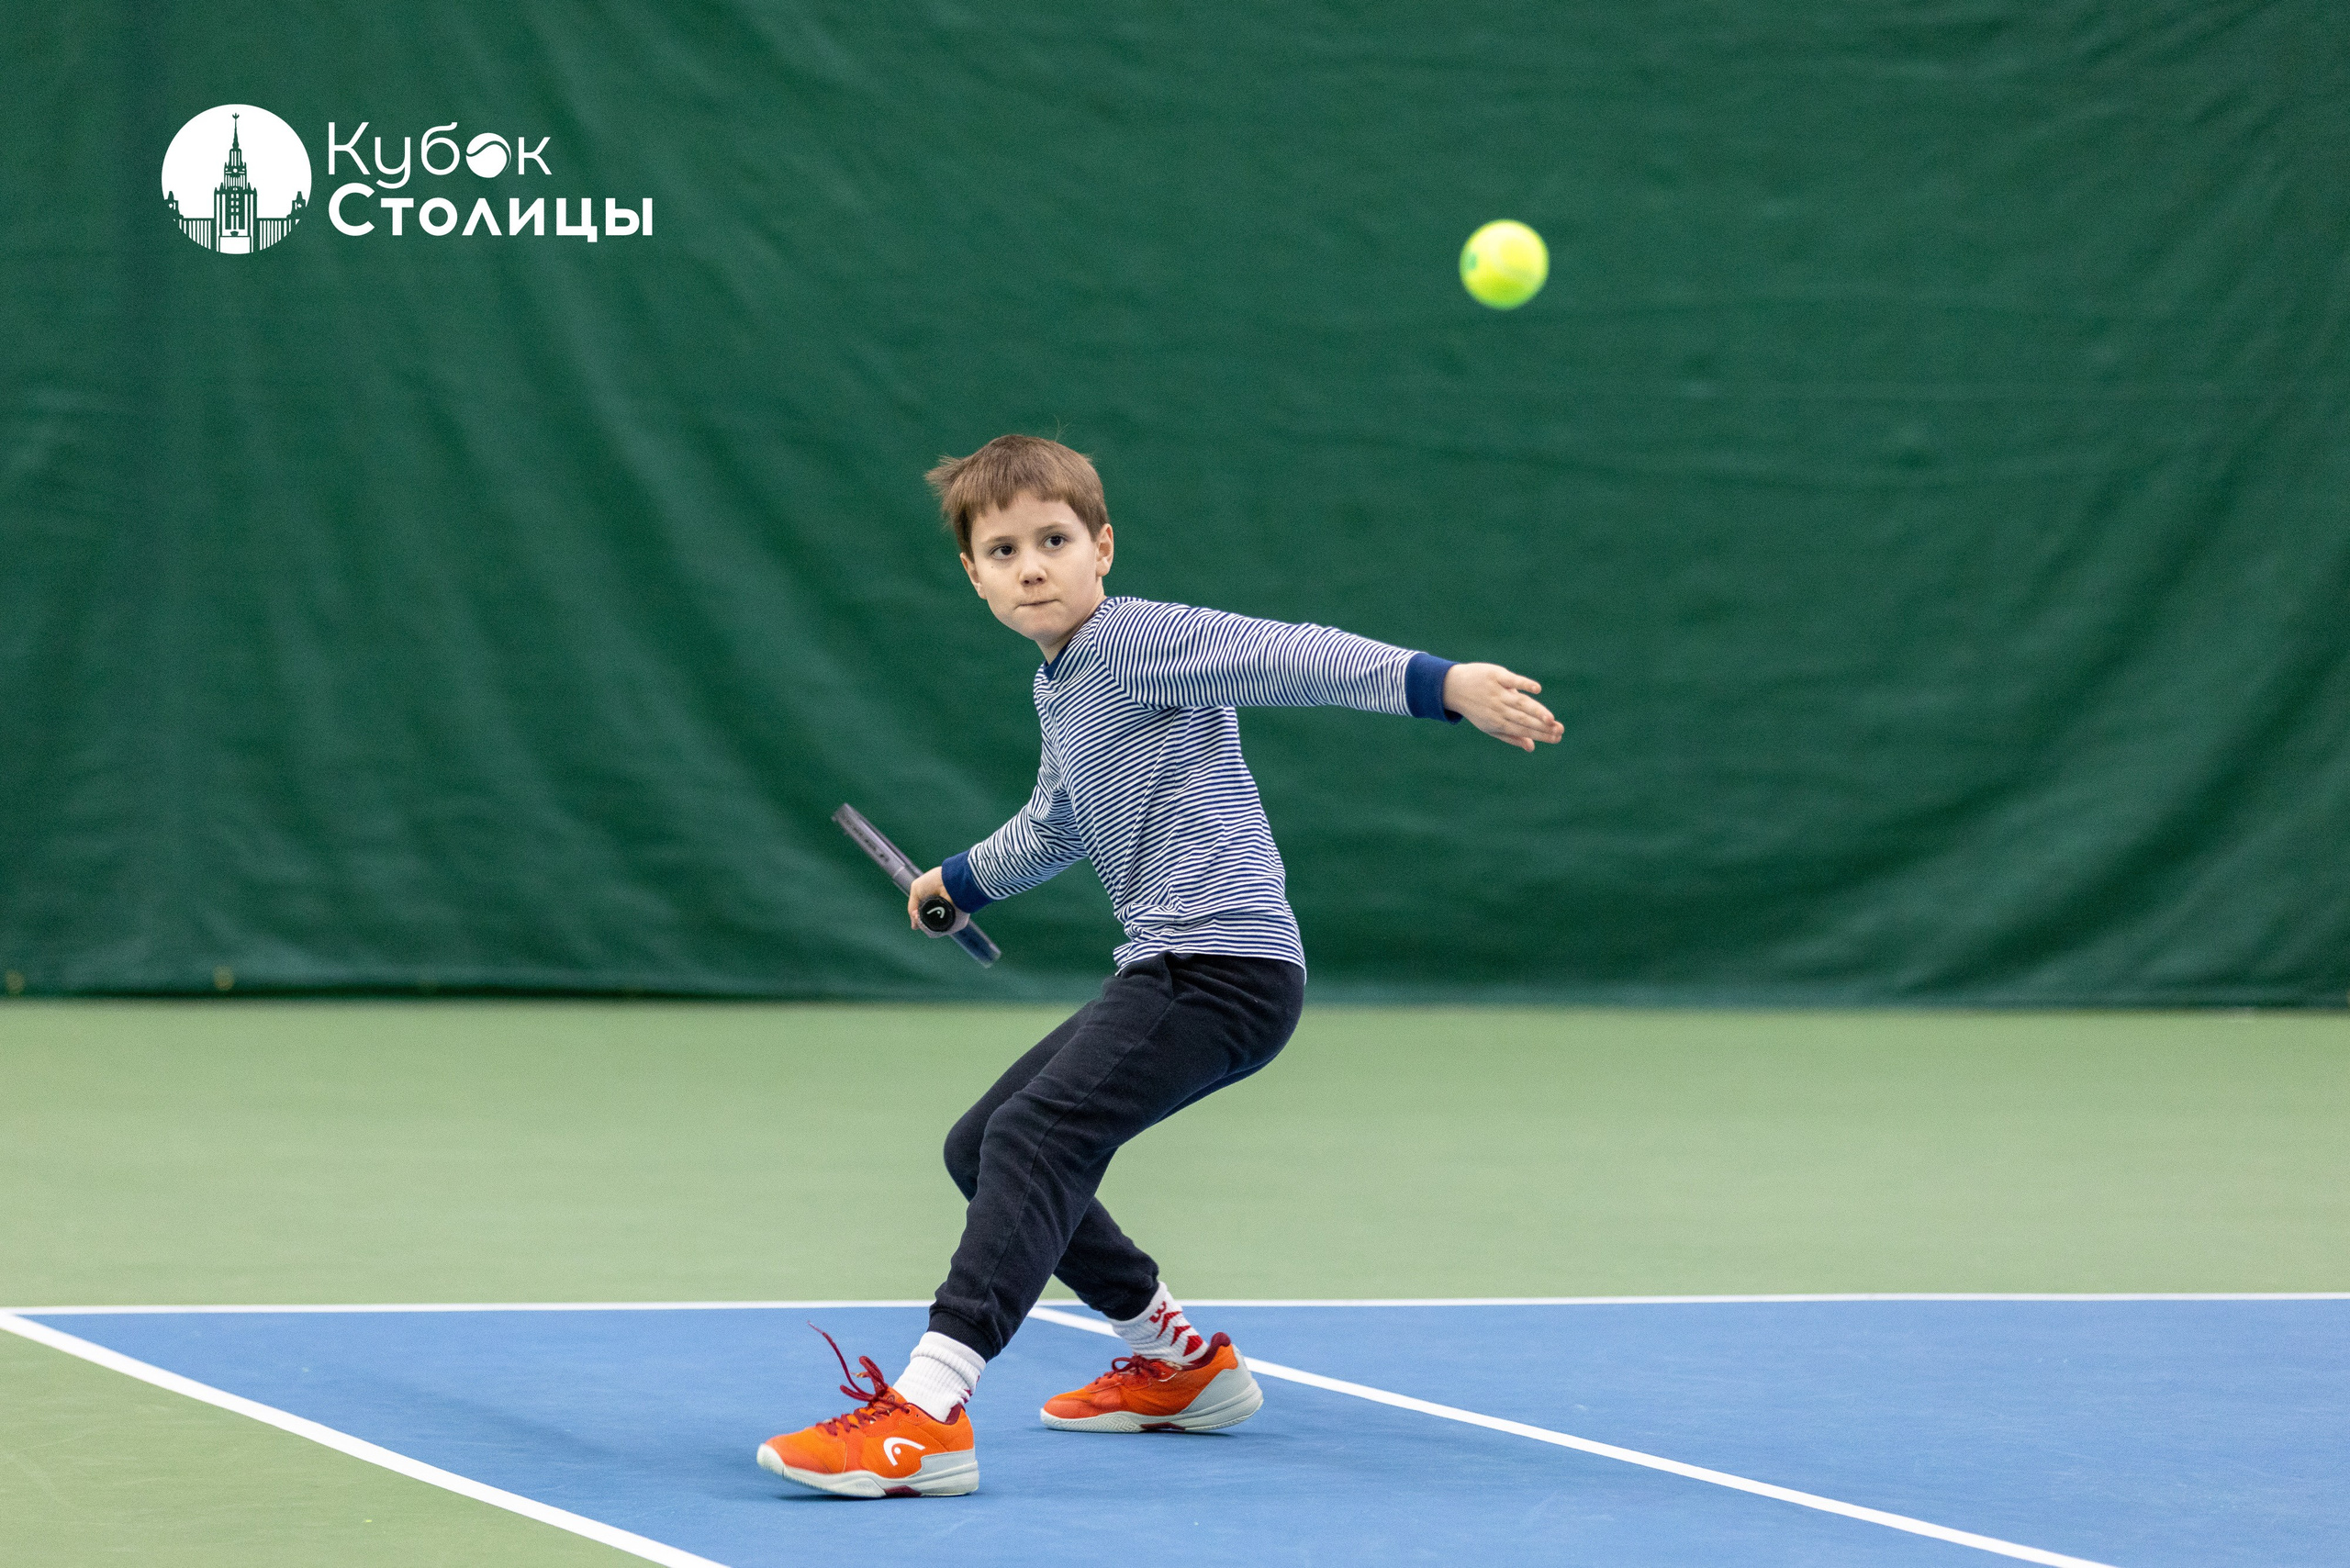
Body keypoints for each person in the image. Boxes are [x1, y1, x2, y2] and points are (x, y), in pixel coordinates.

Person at [758, 435, 1561, 1497]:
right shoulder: (1067, 681)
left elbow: (1288, 652)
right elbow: (1056, 821)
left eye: (1053, 540)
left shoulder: (1136, 638)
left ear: (1102, 547)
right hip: (1178, 968)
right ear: (973, 574)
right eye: (1003, 550)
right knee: (981, 1147)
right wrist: (959, 878)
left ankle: (925, 1412)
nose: (1031, 566)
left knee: (1039, 1135)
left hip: (1219, 967)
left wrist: (1440, 683)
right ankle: (1181, 1365)